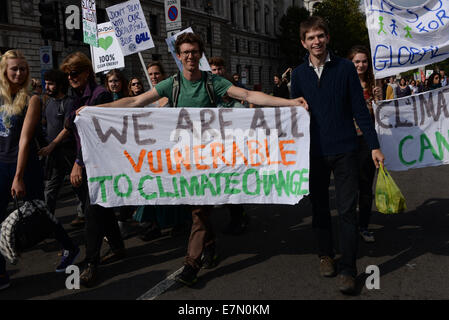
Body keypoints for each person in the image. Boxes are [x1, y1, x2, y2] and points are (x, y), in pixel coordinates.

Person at [80, 32, 307, 287]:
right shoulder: (172, 84)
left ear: (200, 55)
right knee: (196, 208)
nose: (190, 56)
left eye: (194, 52)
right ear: (178, 56)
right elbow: (135, 100)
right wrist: (95, 110)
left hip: (211, 159)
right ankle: (209, 246)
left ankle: (191, 263)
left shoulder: (214, 82)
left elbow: (248, 95)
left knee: (199, 211)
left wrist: (288, 103)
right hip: (184, 160)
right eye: (185, 52)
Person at [290, 17, 384, 294]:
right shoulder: (298, 75)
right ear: (303, 42)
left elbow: (359, 109)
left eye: (320, 36)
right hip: (314, 152)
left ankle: (348, 269)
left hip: (346, 151)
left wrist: (375, 145)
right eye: (311, 38)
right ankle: (325, 255)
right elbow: (294, 115)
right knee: (319, 208)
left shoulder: (345, 68)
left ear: (327, 38)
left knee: (346, 211)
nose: (316, 41)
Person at [0, 50, 80, 290]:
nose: (19, 72)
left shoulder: (32, 99)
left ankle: (69, 246)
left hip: (24, 167)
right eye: (14, 68)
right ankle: (2, 273)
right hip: (0, 165)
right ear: (4, 70)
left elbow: (24, 140)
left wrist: (18, 176)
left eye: (23, 68)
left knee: (39, 211)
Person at [61, 51, 125, 287]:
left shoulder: (100, 95)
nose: (71, 78)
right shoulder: (75, 96)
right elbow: (70, 126)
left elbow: (95, 137)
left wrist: (78, 163)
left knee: (92, 214)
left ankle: (91, 263)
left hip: (98, 164)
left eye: (75, 73)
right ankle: (118, 247)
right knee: (101, 209)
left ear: (87, 72)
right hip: (85, 163)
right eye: (68, 75)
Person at [209, 56, 249, 235]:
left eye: (219, 69)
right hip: (215, 151)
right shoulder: (211, 102)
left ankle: (238, 218)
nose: (217, 72)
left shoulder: (238, 106)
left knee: (232, 186)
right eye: (213, 70)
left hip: (233, 152)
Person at [38, 69, 86, 220]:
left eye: (51, 84)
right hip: (54, 155)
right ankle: (47, 220)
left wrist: (52, 144)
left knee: (78, 186)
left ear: (59, 85)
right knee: (50, 189)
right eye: (46, 84)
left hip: (68, 152)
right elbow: (45, 122)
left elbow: (67, 129)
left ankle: (85, 215)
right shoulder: (49, 103)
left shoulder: (70, 103)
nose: (47, 87)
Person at [348, 45, 382, 244]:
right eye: (357, 61)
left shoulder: (373, 86)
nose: (360, 65)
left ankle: (364, 226)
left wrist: (379, 100)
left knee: (366, 188)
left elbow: (381, 118)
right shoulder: (345, 84)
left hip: (367, 142)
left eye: (364, 61)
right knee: (349, 188)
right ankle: (350, 226)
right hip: (348, 142)